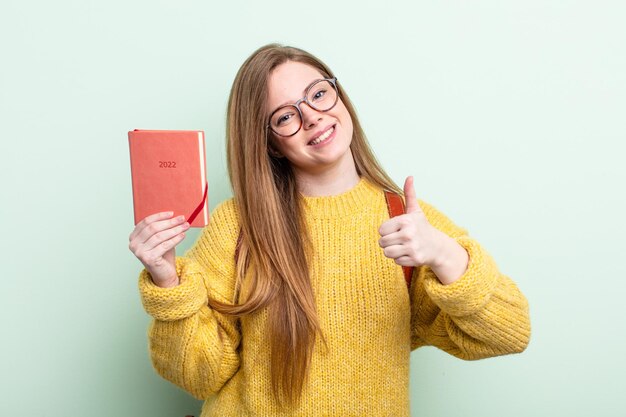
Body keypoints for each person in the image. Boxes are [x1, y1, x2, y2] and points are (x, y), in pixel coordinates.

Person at [128, 43, 531, 417]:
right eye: (285, 116)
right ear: (269, 143)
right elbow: (198, 377)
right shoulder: (238, 226)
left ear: (339, 95)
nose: (312, 117)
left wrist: (444, 255)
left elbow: (508, 333)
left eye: (318, 94)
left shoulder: (406, 221)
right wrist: (168, 283)